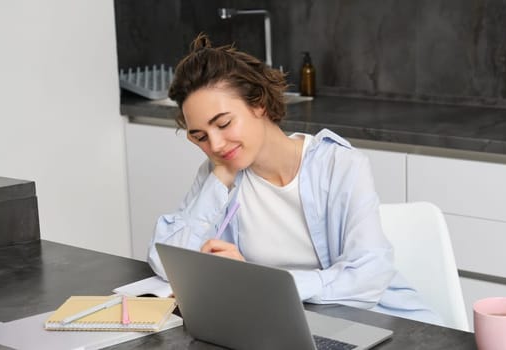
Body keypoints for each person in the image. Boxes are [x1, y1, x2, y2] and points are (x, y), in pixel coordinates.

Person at [147, 34, 441, 325]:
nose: (216, 145)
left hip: (377, 323)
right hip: (284, 325)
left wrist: (259, 283)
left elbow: (367, 276)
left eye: (223, 124)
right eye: (199, 136)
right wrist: (221, 175)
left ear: (258, 104)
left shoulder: (339, 165)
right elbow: (165, 261)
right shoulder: (216, 174)